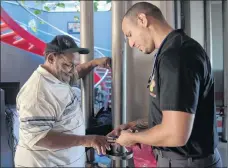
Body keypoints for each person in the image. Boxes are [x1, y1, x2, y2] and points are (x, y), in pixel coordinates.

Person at [108, 2, 222, 167]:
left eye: (130, 34)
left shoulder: (176, 57)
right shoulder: (171, 51)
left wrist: (132, 138)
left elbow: (176, 134)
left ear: (142, 19)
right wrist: (135, 125)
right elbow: (178, 113)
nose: (131, 43)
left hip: (187, 163)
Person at [14, 35, 112, 167]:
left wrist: (93, 63)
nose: (72, 71)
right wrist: (87, 140)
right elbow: (40, 138)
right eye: (67, 65)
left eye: (74, 65)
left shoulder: (58, 76)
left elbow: (77, 72)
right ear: (51, 58)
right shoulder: (37, 93)